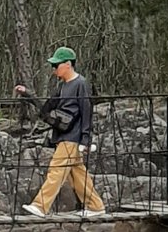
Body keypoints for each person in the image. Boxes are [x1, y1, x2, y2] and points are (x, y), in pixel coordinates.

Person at [15, 46, 105, 219]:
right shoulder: (62, 87)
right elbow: (47, 107)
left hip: (72, 138)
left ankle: (40, 206)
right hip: (63, 136)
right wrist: (28, 94)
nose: (54, 69)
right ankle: (95, 206)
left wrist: (85, 139)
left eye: (57, 65)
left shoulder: (80, 84)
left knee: (56, 170)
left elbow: (87, 112)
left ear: (68, 64)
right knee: (77, 173)